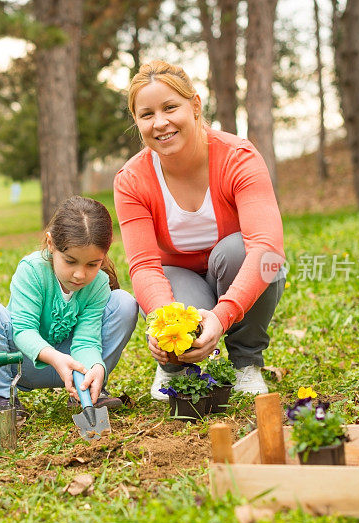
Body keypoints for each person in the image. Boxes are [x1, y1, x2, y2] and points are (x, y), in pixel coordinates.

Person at [113, 60, 286, 401]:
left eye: (170, 107)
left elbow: (267, 249)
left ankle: (245, 362)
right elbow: (145, 267)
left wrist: (221, 318)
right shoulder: (131, 180)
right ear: (137, 121)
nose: (160, 123)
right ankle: (175, 366)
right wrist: (163, 322)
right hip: (180, 278)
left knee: (249, 255)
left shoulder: (239, 157)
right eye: (146, 114)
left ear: (195, 105)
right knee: (173, 307)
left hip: (233, 268)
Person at [0, 196, 138, 415]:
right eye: (70, 261)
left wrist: (94, 366)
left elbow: (87, 340)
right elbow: (23, 329)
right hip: (22, 365)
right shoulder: (33, 271)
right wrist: (55, 358)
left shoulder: (98, 284)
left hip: (75, 369)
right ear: (50, 244)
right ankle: (3, 400)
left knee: (124, 303)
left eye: (92, 264)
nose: (80, 274)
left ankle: (88, 390)